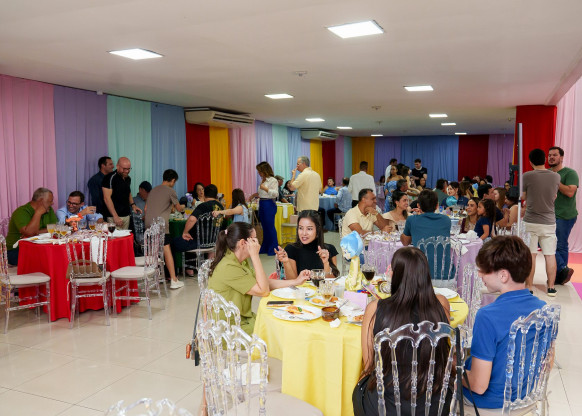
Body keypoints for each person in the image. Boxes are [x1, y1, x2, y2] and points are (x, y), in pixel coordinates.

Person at [353, 246, 452, 415]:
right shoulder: (441, 304)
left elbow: (369, 364)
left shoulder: (375, 309)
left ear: (396, 275)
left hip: (385, 406)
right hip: (434, 404)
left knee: (361, 387)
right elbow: (444, 355)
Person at [463, 236, 545, 409]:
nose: (480, 274)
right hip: (526, 395)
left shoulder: (487, 316)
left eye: (484, 271)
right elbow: (547, 362)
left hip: (491, 402)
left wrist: (451, 369)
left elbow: (478, 385)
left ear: (503, 275)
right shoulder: (543, 310)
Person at [207, 222, 309, 335]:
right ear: (243, 243)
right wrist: (255, 256)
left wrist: (295, 281)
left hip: (241, 319)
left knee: (279, 324)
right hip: (230, 328)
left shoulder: (239, 260)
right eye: (254, 239)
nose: (258, 242)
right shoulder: (229, 266)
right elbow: (263, 290)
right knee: (279, 332)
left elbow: (262, 283)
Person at [522, 148, 560, 296]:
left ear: (530, 162)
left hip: (531, 221)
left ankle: (529, 287)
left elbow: (523, 196)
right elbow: (554, 196)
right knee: (550, 255)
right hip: (549, 221)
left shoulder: (527, 176)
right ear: (545, 159)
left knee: (531, 255)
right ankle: (551, 287)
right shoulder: (556, 177)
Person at [144, 169, 185, 289]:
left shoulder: (153, 190)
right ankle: (174, 279)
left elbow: (146, 209)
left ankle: (151, 278)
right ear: (173, 180)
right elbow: (178, 208)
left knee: (152, 251)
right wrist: (184, 205)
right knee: (166, 249)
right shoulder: (171, 191)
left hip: (148, 225)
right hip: (160, 225)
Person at [171, 184, 224, 270]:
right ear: (216, 195)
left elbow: (192, 219)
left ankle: (174, 273)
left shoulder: (203, 206)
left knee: (172, 242)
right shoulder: (221, 207)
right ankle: (192, 269)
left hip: (199, 242)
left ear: (205, 194)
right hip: (214, 242)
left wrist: (185, 232)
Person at [274, 210, 339, 280]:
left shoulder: (329, 249)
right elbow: (292, 282)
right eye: (300, 228)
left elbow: (332, 281)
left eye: (309, 229)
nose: (304, 233)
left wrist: (326, 263)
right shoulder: (291, 249)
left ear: (317, 231)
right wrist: (286, 262)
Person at [548, 146, 579, 285]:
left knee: (559, 245)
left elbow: (570, 192)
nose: (551, 157)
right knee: (546, 242)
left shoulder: (570, 173)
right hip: (547, 215)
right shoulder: (546, 173)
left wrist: (555, 180)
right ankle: (562, 271)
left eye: (554, 155)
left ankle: (560, 275)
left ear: (561, 158)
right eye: (549, 155)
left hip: (565, 215)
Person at [5, 188, 58, 266]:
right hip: (16, 250)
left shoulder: (49, 210)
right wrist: (38, 213)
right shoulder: (21, 212)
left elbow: (55, 227)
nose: (52, 203)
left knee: (58, 254)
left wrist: (35, 233)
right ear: (41, 201)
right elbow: (30, 233)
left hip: (39, 247)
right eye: (50, 201)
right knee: (46, 260)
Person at [101, 157, 142, 230]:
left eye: (129, 169)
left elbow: (128, 192)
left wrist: (133, 205)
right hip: (114, 217)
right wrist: (115, 216)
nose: (127, 171)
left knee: (126, 236)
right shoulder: (110, 178)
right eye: (124, 169)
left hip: (126, 215)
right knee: (115, 236)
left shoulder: (128, 178)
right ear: (117, 166)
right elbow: (106, 198)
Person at [248, 162, 279, 255]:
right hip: (262, 203)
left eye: (259, 171)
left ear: (264, 171)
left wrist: (265, 188)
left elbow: (275, 193)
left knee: (270, 227)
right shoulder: (263, 180)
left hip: (269, 203)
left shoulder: (273, 180)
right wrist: (254, 195)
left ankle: (274, 248)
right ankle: (265, 247)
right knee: (264, 227)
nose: (258, 173)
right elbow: (261, 193)